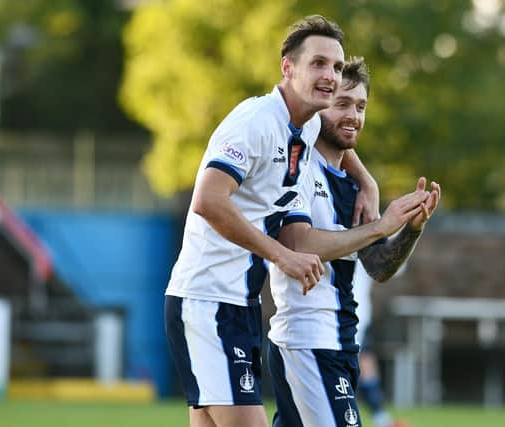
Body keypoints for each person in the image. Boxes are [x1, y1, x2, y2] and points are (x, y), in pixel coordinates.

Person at [163, 16, 381, 427]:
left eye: (336, 67)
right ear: (288, 67)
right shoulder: (256, 121)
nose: (330, 76)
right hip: (207, 300)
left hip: (236, 303)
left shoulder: (307, 122)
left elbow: (343, 148)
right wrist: (282, 255)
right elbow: (208, 201)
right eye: (318, 63)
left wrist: (366, 181)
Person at [268, 57, 441, 427]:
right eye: (343, 104)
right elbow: (298, 246)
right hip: (308, 340)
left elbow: (377, 267)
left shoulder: (351, 186)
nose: (354, 116)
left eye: (361, 106)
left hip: (340, 341)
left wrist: (411, 229)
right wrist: (381, 225)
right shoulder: (296, 162)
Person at [353, 260, 407, 427]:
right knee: (357, 366)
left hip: (358, 315)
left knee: (365, 362)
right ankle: (380, 418)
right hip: (347, 316)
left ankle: (380, 418)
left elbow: (395, 268)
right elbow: (392, 266)